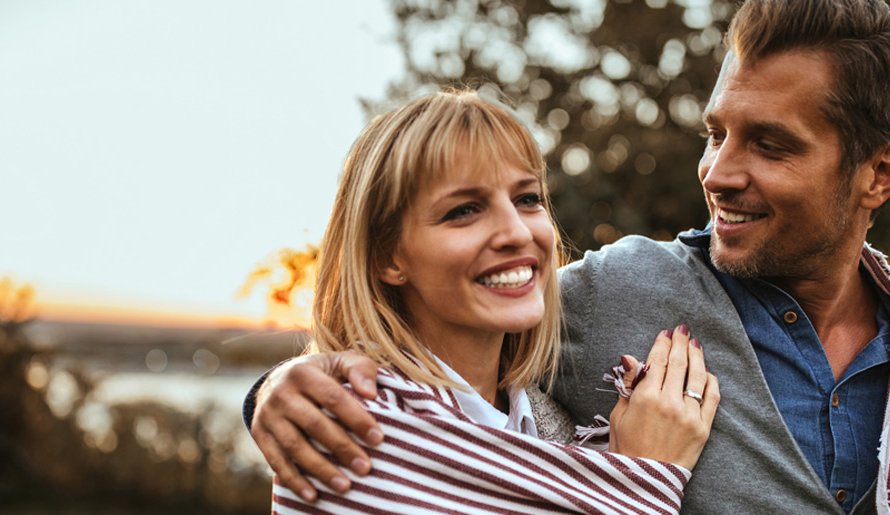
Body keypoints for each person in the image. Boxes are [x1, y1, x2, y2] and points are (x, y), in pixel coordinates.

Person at [246, 1, 890, 513]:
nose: (717, 172)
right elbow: (438, 332)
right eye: (715, 131)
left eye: (769, 144)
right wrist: (279, 386)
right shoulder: (614, 293)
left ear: (880, 172)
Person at [265, 90, 720, 514]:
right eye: (464, 210)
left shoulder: (545, 419)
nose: (518, 233)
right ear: (388, 255)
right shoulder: (352, 429)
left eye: (527, 199)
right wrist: (639, 480)